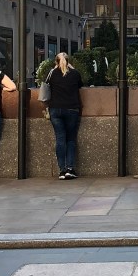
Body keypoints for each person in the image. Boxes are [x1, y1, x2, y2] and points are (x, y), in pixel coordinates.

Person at [45, 52, 84, 180]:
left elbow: (46, 86)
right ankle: (70, 169)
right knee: (71, 139)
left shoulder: (51, 73)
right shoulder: (75, 73)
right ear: (68, 61)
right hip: (72, 108)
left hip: (55, 109)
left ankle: (61, 170)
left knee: (60, 139)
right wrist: (71, 68)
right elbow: (80, 85)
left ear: (56, 62)